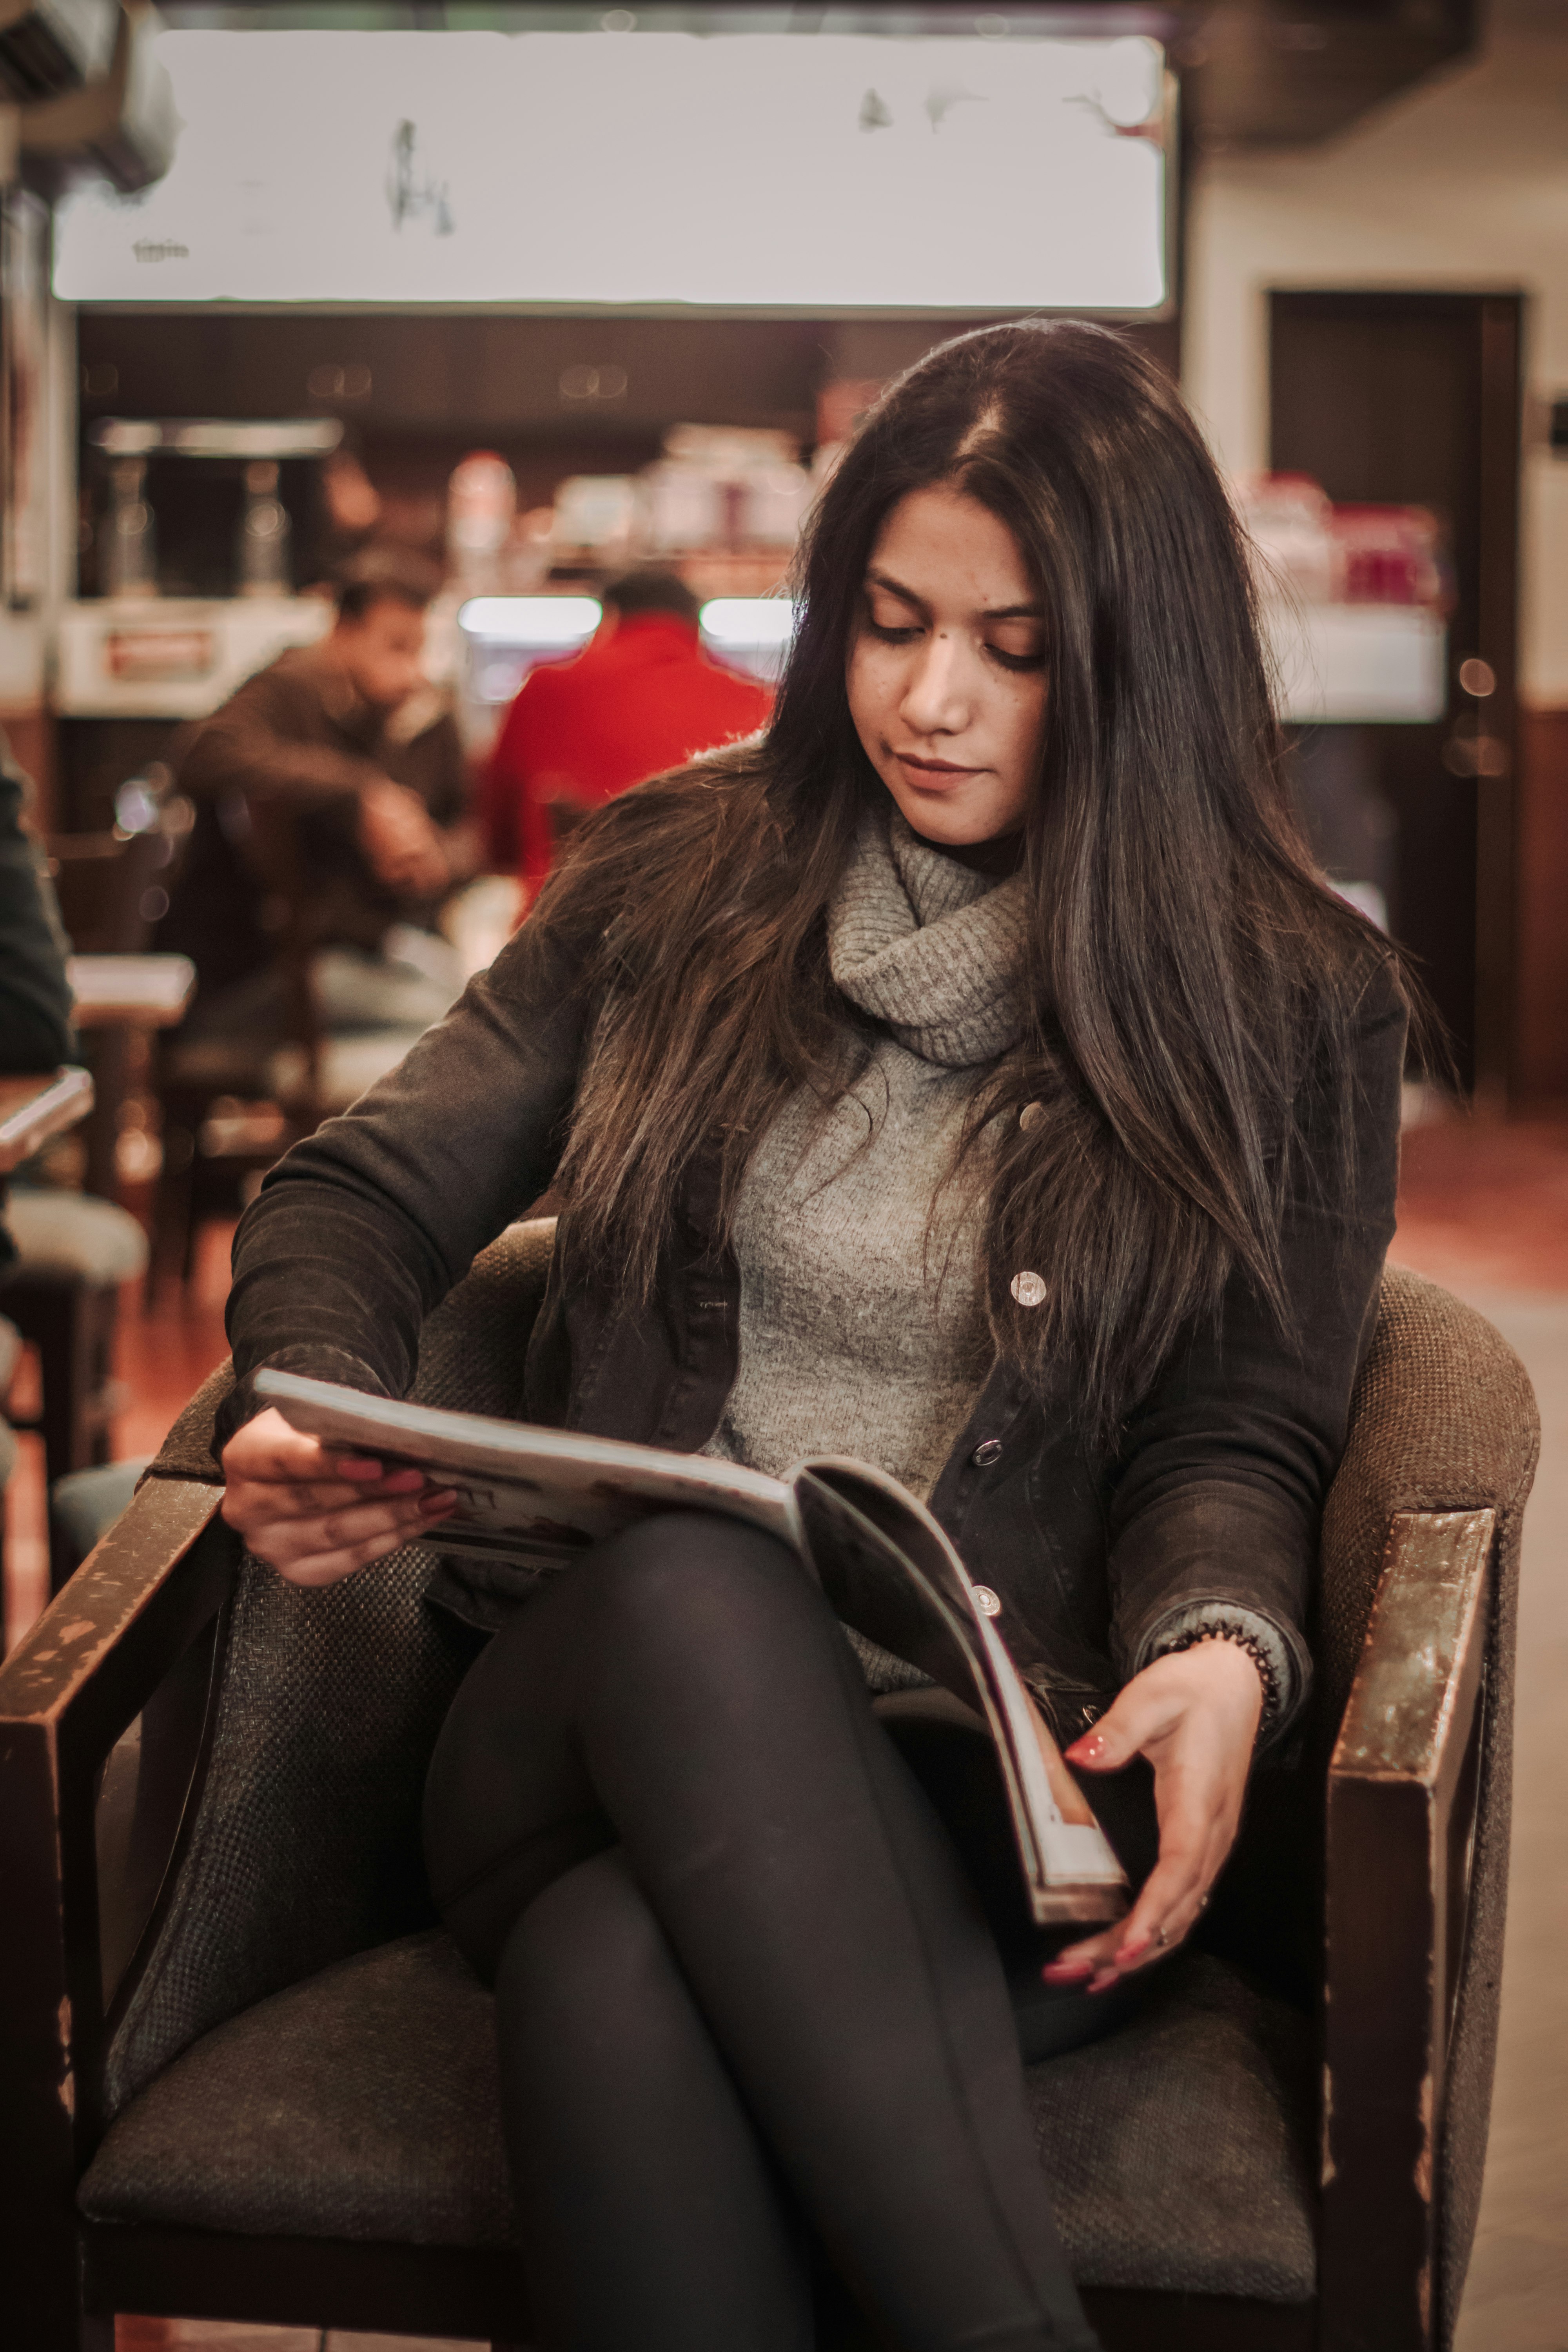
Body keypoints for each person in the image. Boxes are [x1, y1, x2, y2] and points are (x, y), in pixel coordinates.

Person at [214, 321, 1408, 2352]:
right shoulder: (679, 872)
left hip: (989, 1771)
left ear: (1149, 654)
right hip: (579, 1721)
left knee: (616, 1980)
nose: (932, 699)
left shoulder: (1285, 993)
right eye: (890, 622)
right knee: (703, 1571)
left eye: (1017, 648)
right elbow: (357, 1190)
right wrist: (301, 1404)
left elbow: (1243, 1429)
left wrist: (1221, 1647)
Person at [160, 558, 475, 1042]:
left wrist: (434, 859)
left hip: (373, 948)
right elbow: (203, 751)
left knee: (484, 1000)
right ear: (344, 632)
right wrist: (360, 793)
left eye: (420, 649)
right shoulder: (290, 688)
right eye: (396, 647)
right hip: (263, 973)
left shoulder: (422, 715)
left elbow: (469, 830)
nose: (413, 671)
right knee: (468, 1025)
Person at [483, 565, 773, 905]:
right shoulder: (757, 701)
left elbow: (497, 839)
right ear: (695, 628)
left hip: (560, 925)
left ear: (611, 619)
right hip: (710, 929)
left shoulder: (546, 688)